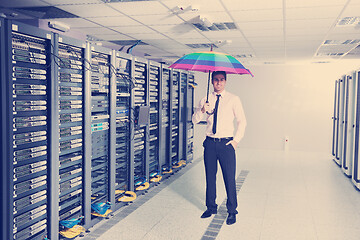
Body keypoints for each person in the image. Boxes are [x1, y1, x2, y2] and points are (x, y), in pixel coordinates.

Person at [192, 71, 246, 225]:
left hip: (226, 144)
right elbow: (194, 120)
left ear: (225, 81)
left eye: (222, 80)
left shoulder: (233, 99)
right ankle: (211, 207)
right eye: (216, 80)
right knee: (210, 176)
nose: (219, 83)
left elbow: (242, 121)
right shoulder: (205, 99)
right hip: (210, 143)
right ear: (212, 81)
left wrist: (235, 141)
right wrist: (202, 109)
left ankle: (232, 211)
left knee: (229, 178)